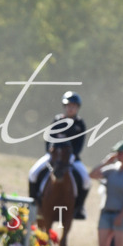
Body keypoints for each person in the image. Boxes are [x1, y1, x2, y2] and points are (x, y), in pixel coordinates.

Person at [28, 91, 91, 219]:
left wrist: (72, 156)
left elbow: (80, 144)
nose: (71, 108)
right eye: (68, 105)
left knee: (86, 180)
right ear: (64, 107)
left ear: (77, 108)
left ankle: (79, 208)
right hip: (54, 156)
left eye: (73, 106)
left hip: (72, 158)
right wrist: (50, 152)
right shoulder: (57, 120)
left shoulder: (80, 124)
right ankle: (33, 204)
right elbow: (49, 138)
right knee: (33, 173)